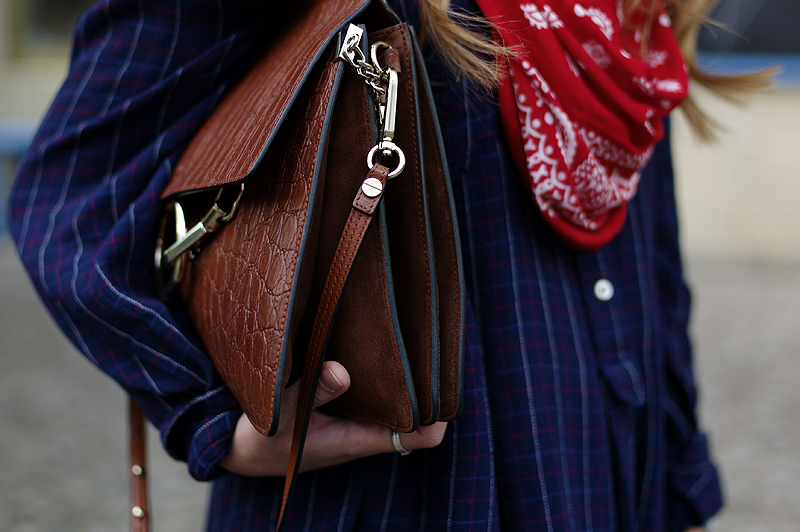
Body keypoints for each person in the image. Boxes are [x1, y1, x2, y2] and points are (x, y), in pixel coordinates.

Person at [10, 0, 762, 529]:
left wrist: (680, 493)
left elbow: (651, 262)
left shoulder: (623, 13)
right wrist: (208, 418)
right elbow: (69, 203)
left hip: (606, 481)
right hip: (405, 499)